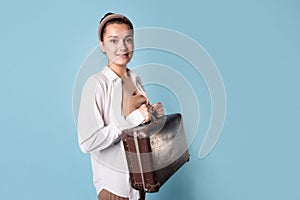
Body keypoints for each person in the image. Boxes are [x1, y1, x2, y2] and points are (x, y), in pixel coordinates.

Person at [77, 12, 164, 200]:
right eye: (113, 41)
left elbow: (139, 131)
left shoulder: (135, 79)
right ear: (102, 45)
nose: (122, 47)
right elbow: (87, 142)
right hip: (114, 190)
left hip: (139, 186)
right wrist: (135, 117)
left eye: (128, 40)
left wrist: (153, 115)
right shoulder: (96, 85)